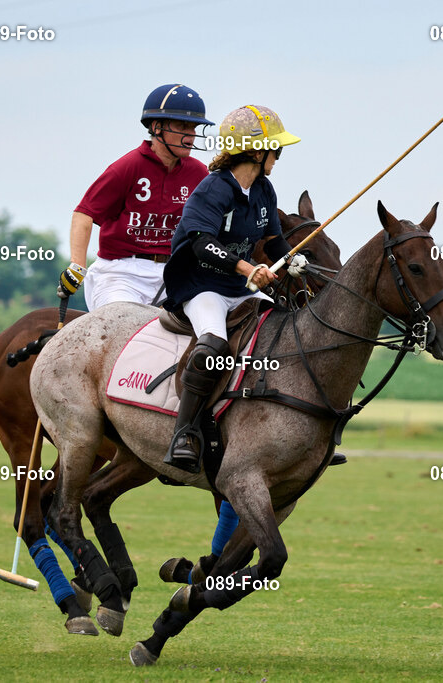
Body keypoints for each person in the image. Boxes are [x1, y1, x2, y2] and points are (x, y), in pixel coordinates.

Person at [161, 104, 308, 474]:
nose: (279, 156)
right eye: (277, 149)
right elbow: (198, 240)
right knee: (213, 345)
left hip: (238, 288)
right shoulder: (214, 188)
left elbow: (273, 241)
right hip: (201, 286)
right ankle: (185, 432)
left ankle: (294, 431)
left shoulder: (263, 189)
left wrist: (293, 260)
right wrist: (247, 267)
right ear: (257, 152)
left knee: (288, 330)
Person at [64, 84, 213, 309]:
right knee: (123, 325)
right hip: (122, 274)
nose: (191, 135)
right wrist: (77, 265)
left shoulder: (199, 173)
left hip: (176, 273)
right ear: (157, 127)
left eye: (194, 128)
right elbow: (83, 215)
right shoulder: (127, 167)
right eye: (183, 126)